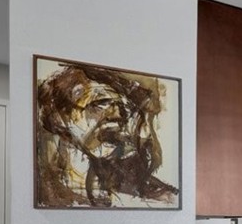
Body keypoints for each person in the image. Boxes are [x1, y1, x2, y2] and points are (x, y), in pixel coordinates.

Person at [35, 60, 179, 208]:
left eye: (123, 108)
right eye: (100, 105)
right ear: (59, 119)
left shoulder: (155, 196)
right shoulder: (48, 196)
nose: (118, 116)